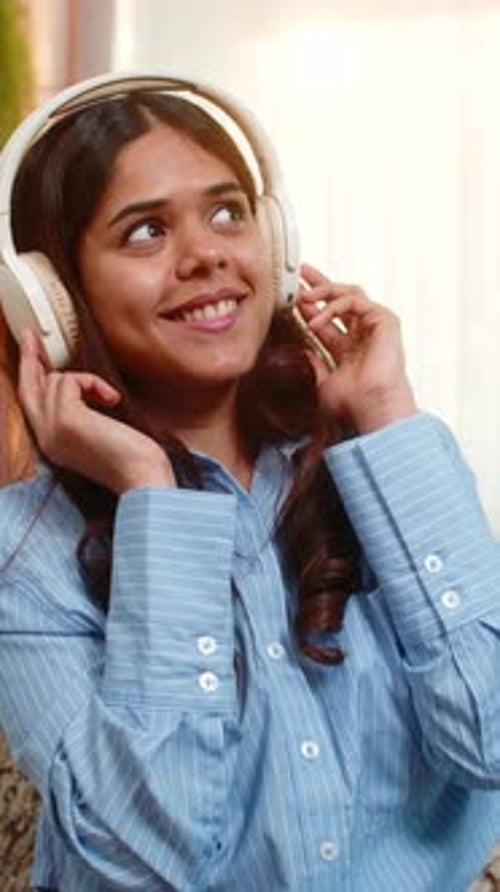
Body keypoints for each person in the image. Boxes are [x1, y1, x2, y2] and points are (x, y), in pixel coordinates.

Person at [0, 72, 499, 892]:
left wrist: (385, 411)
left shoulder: (391, 459)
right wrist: (151, 495)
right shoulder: (25, 554)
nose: (208, 255)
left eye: (228, 212)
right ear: (53, 301)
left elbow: (491, 741)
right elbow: (135, 862)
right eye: (145, 231)